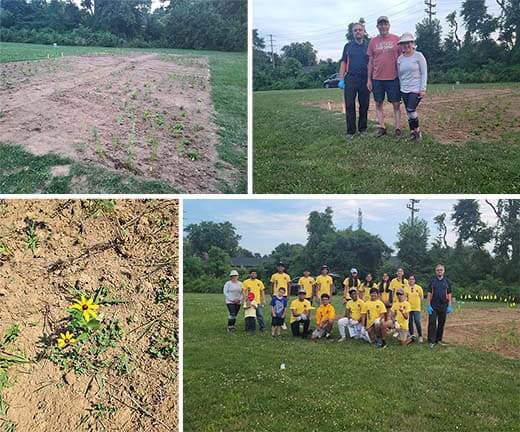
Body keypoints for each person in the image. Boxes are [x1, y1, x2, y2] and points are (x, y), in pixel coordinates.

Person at [367, 16, 402, 138]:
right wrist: (369, 79)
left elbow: (402, 59)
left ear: (389, 25)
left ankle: (398, 128)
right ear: (377, 27)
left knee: (396, 104)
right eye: (380, 24)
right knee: (378, 103)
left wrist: (402, 77)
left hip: (393, 78)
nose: (383, 26)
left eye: (385, 24)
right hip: (377, 78)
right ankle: (382, 127)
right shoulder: (373, 42)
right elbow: (370, 61)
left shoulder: (396, 39)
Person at [338, 22, 370, 139]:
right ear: (352, 33)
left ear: (364, 32)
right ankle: (351, 131)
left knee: (364, 105)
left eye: (360, 30)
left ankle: (362, 129)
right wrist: (341, 79)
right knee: (350, 105)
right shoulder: (348, 46)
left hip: (364, 79)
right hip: (350, 78)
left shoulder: (368, 47)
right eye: (355, 30)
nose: (358, 32)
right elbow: (343, 62)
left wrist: (370, 79)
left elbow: (371, 64)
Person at [397, 32, 427, 141]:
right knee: (408, 111)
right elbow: (400, 75)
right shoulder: (400, 59)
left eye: (408, 43)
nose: (406, 45)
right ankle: (412, 132)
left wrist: (422, 88)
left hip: (415, 88)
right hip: (404, 89)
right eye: (403, 43)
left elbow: (424, 73)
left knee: (411, 109)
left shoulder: (419, 56)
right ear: (401, 45)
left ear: (412, 43)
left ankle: (417, 131)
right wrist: (400, 89)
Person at [427, 264, 452, 348]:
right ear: (436, 271)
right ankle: (431, 341)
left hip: (443, 305)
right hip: (433, 305)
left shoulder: (447, 281)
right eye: (438, 270)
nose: (439, 271)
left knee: (441, 323)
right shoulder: (432, 281)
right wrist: (428, 305)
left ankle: (439, 340)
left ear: (444, 271)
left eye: (441, 270)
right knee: (432, 323)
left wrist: (449, 305)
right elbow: (429, 293)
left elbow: (449, 294)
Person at [270, 262, 291, 329]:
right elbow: (271, 285)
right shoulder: (274, 276)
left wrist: (288, 294)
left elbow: (289, 285)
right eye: (279, 266)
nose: (280, 268)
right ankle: (274, 321)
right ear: (277, 268)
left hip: (284, 295)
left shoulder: (287, 276)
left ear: (284, 268)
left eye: (282, 267)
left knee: (283, 309)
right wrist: (271, 293)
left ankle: (282, 322)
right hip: (276, 294)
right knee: (274, 308)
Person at [405, 274, 424, 342]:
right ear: (408, 280)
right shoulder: (406, 288)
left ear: (415, 280)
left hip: (416, 308)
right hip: (409, 308)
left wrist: (418, 302)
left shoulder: (418, 288)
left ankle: (420, 335)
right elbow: (405, 298)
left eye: (412, 279)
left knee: (417, 320)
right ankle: (412, 335)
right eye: (410, 279)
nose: (411, 280)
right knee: (409, 321)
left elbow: (421, 297)